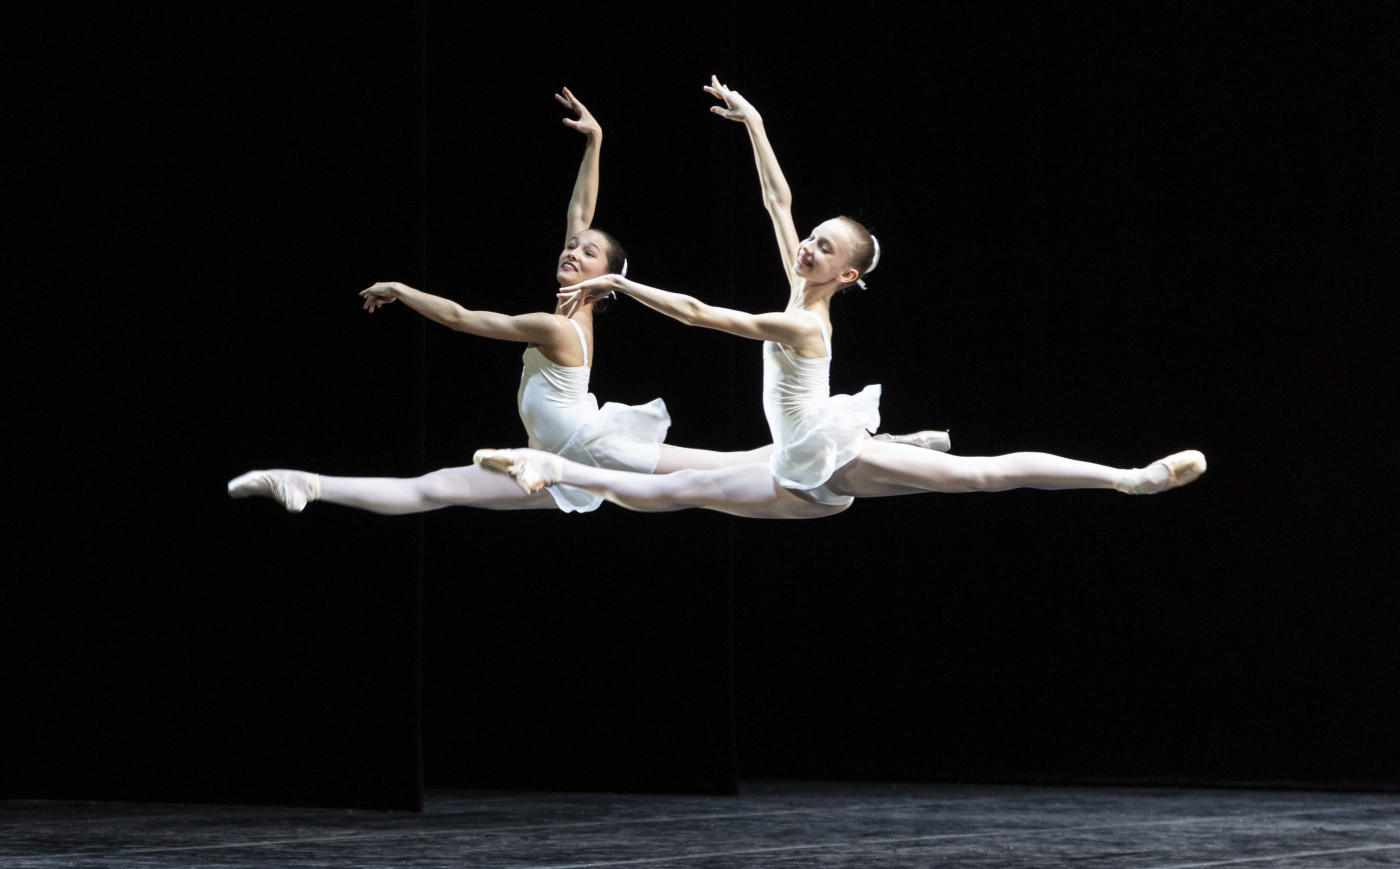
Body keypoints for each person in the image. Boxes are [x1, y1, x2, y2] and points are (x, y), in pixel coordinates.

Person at [472, 77, 1205, 518]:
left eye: (824, 247)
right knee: (681, 488)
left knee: (981, 474)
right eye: (812, 237)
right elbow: (775, 201)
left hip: (824, 463)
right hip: (797, 464)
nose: (807, 245)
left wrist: (619, 281)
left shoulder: (802, 324)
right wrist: (755, 125)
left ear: (846, 276)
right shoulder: (800, 285)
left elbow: (701, 313)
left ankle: (1129, 478)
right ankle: (904, 442)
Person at [228, 88, 777, 515]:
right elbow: (580, 214)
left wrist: (400, 289)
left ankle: (828, 456)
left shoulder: (557, 327)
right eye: (571, 248)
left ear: (607, 280)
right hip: (553, 452)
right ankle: (307, 484)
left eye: (588, 255)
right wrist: (596, 141)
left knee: (718, 474)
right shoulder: (568, 311)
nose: (573, 251)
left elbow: (464, 320)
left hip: (593, 449)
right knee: (436, 488)